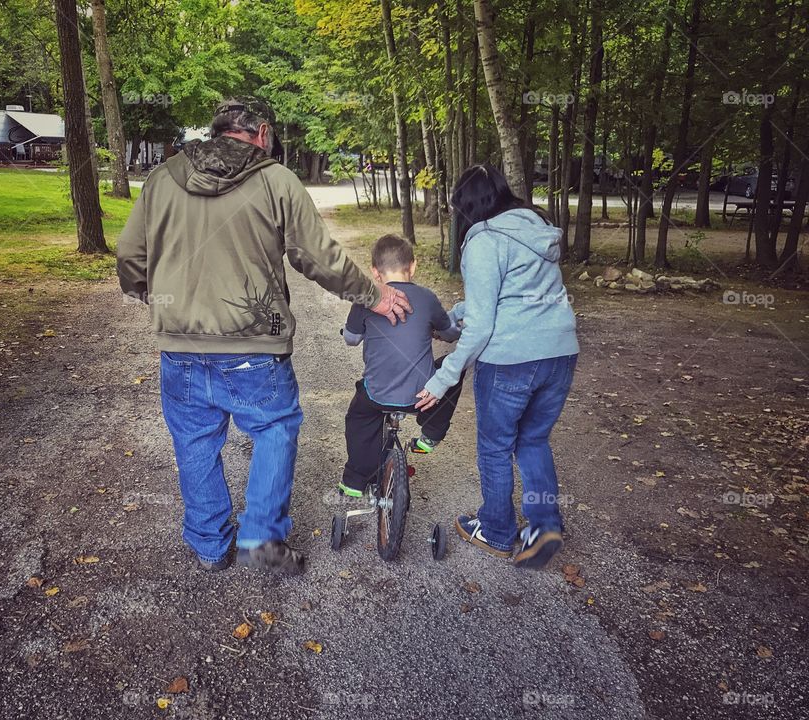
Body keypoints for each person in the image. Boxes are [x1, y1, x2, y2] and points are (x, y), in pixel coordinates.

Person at [116, 97, 411, 576]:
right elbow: (317, 257)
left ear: (217, 130)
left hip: (180, 345)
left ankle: (210, 545)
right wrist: (372, 295)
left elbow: (130, 258)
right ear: (263, 132)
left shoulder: (162, 178)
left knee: (194, 442)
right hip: (255, 342)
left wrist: (158, 299)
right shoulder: (277, 181)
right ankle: (259, 540)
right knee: (274, 430)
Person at [415, 164, 579, 570]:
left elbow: (484, 325)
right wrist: (454, 317)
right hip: (559, 353)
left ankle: (497, 530)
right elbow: (510, 295)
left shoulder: (484, 239)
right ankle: (544, 527)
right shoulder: (535, 228)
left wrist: (443, 378)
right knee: (534, 440)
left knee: (495, 446)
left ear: (468, 207)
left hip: (510, 360)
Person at [340, 234, 464, 497]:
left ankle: (355, 480)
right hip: (422, 397)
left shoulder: (365, 299)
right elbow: (450, 333)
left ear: (375, 272)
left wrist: (353, 330)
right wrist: (441, 329)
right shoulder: (427, 298)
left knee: (359, 417)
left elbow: (351, 339)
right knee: (453, 369)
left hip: (377, 395)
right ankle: (431, 433)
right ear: (413, 266)